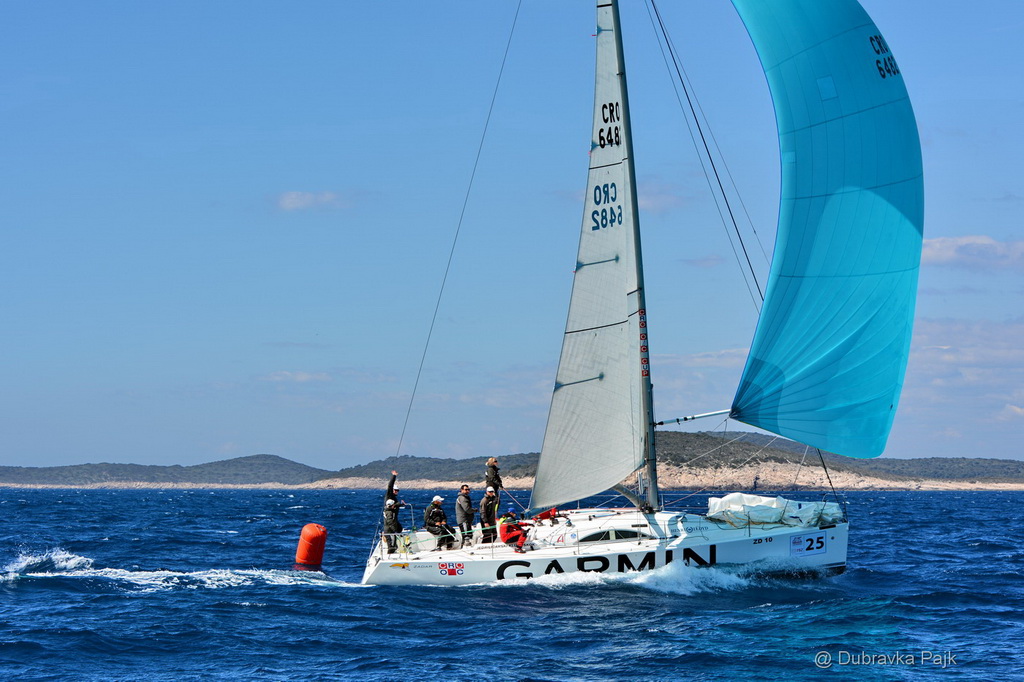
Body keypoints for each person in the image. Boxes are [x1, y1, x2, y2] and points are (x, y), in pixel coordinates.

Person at [382, 470, 406, 553]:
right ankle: (391, 548)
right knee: (391, 532)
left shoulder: (394, 498)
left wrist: (401, 504)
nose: (396, 492)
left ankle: (396, 545)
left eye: (397, 490)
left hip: (394, 518)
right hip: (390, 519)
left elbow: (395, 505)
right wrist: (394, 476)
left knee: (399, 528)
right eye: (395, 490)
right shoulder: (389, 495)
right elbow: (390, 486)